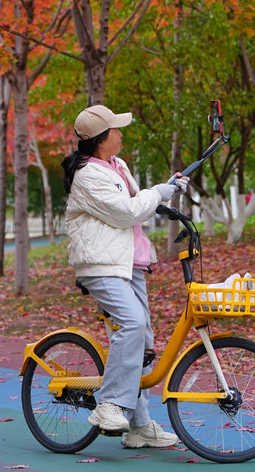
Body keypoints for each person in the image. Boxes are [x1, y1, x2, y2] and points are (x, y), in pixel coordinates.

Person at [62, 103, 189, 449]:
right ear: (101, 139)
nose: (120, 134)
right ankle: (109, 405)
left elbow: (136, 204)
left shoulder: (117, 164)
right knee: (131, 325)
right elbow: (124, 213)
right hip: (102, 265)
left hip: (129, 263)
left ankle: (139, 425)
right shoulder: (88, 174)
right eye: (115, 130)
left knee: (142, 343)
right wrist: (157, 193)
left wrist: (167, 191)